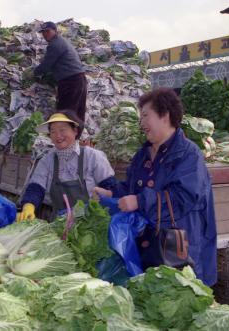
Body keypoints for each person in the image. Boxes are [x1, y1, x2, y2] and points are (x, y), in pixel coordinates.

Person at [93, 88, 217, 286]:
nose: (141, 123)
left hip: (181, 248)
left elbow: (182, 198)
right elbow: (132, 187)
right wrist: (111, 193)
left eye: (145, 116)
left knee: (182, 298)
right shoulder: (143, 154)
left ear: (164, 116)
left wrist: (139, 201)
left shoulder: (188, 154)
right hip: (151, 245)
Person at [17, 110, 115, 221]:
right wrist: (29, 206)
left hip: (90, 224)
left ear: (75, 131)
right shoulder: (47, 160)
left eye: (62, 130)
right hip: (59, 223)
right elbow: (36, 187)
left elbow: (110, 187)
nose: (58, 135)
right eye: (53, 131)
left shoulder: (93, 156)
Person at [34, 21, 88, 122]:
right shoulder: (62, 41)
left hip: (70, 82)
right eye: (43, 32)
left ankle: (65, 136)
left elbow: (46, 65)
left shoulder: (55, 44)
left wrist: (34, 73)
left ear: (55, 30)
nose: (45, 34)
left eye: (47, 31)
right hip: (79, 79)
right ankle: (75, 136)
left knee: (65, 113)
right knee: (77, 112)